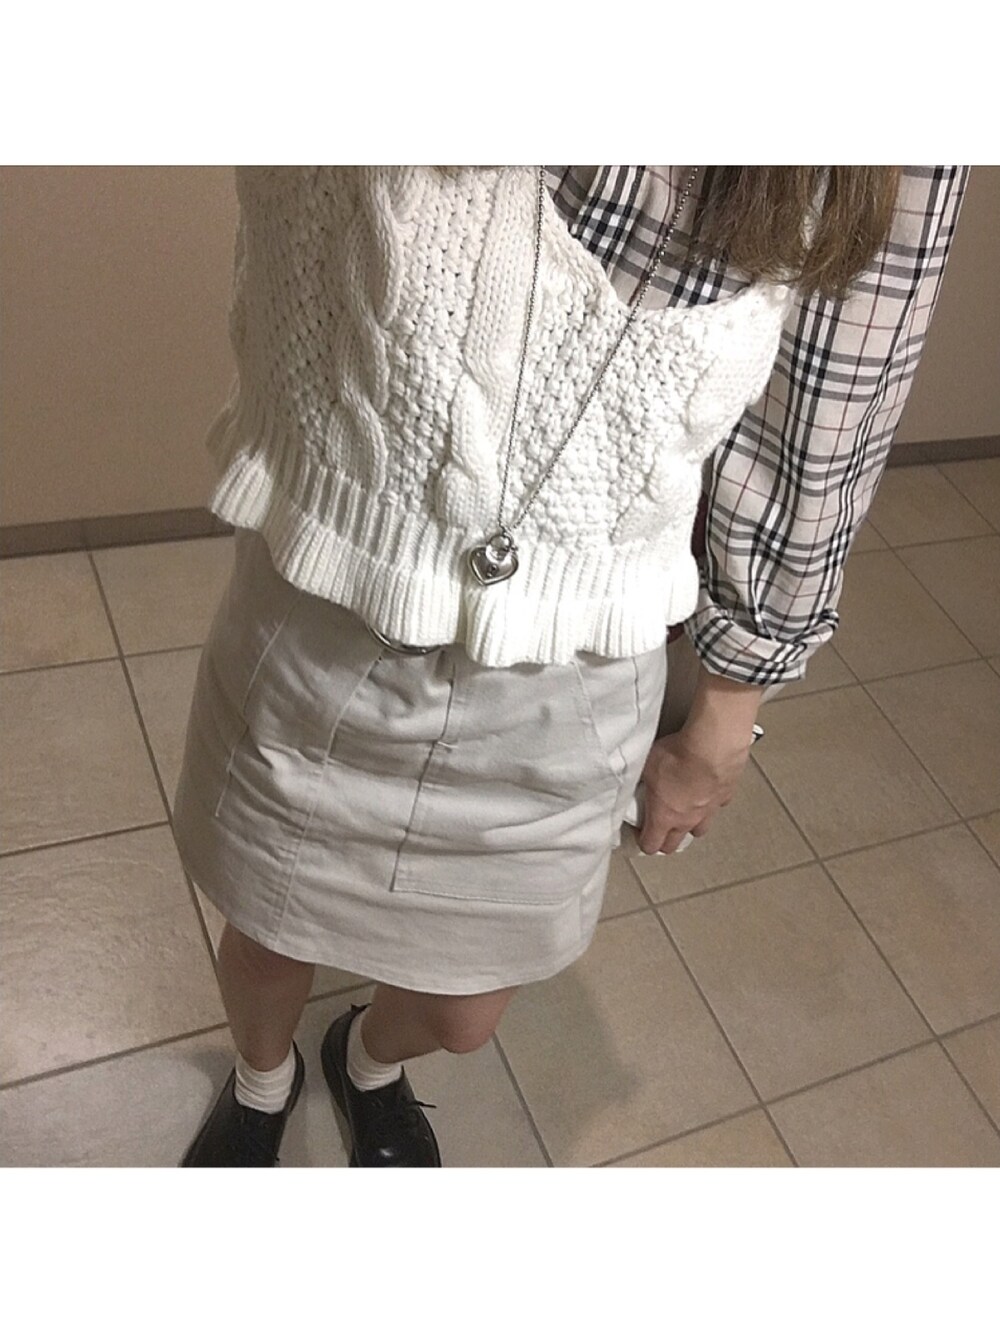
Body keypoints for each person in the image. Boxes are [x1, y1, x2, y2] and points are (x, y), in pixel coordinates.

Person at [172, 165, 969, 1168]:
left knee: (465, 1012)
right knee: (267, 933)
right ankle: (262, 1082)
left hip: (574, 668)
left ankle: (365, 1060)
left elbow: (824, 423)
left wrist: (728, 713)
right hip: (328, 598)